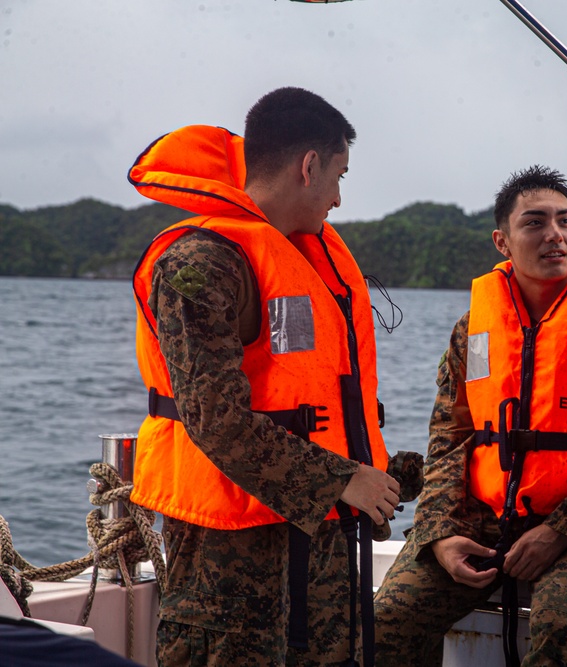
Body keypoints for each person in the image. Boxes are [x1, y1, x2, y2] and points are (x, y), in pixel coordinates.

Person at [128, 87, 401, 666]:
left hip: (320, 551)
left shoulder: (304, 257)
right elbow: (214, 420)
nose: (338, 199)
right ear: (309, 166)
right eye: (338, 176)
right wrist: (338, 480)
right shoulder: (201, 263)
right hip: (229, 557)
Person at [374, 165, 567, 666]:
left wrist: (564, 530)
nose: (555, 235)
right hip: (482, 517)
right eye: (535, 223)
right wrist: (440, 533)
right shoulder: (474, 330)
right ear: (502, 242)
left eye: (565, 221)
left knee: (557, 624)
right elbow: (450, 437)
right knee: (387, 621)